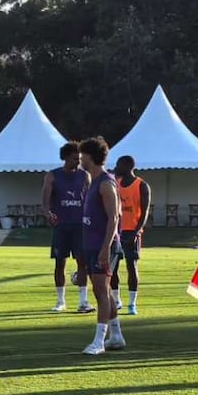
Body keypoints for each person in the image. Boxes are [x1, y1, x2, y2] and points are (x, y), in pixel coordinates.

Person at [77, 137, 125, 355]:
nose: (79, 159)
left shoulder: (105, 183)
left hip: (103, 245)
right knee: (102, 290)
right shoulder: (91, 181)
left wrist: (106, 248)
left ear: (90, 157)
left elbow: (114, 217)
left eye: (82, 155)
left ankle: (98, 341)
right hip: (91, 244)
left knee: (100, 290)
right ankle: (116, 336)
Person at [41, 142, 92, 313]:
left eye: (79, 159)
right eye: (74, 159)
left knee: (82, 263)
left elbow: (90, 201)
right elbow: (45, 201)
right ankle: (60, 301)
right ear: (64, 157)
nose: (77, 162)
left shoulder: (85, 176)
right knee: (59, 263)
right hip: (61, 226)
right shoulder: (52, 176)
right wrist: (48, 214)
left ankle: (83, 301)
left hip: (80, 226)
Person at [109, 155, 150, 315]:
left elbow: (145, 212)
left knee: (131, 266)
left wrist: (136, 231)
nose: (116, 167)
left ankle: (132, 303)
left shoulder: (142, 185)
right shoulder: (115, 184)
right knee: (113, 267)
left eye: (119, 165)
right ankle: (116, 300)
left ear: (127, 166)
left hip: (132, 231)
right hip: (117, 231)